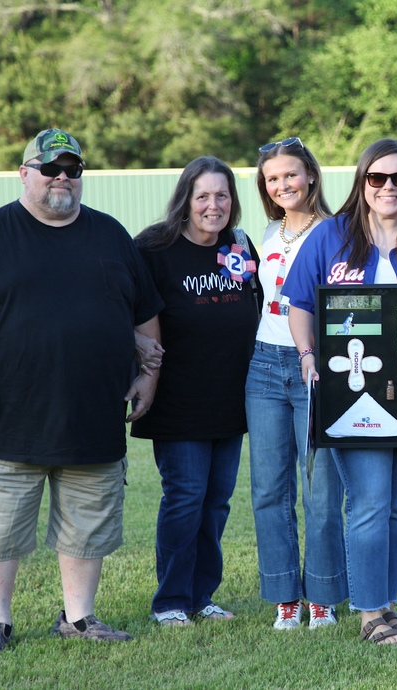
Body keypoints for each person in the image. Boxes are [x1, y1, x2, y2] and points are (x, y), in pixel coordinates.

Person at [0, 128, 164, 654]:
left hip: (92, 415)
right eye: (50, 168)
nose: (62, 178)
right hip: (5, 418)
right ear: (25, 173)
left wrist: (147, 376)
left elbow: (146, 313)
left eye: (73, 170)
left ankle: (79, 618)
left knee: (87, 526)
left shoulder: (110, 235)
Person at [283, 138, 397, 645]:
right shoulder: (331, 235)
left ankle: (386, 605)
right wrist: (308, 355)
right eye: (377, 178)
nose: (388, 187)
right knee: (368, 501)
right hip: (351, 389)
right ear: (362, 182)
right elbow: (299, 303)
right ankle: (368, 616)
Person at [131, 156, 261, 626]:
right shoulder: (153, 248)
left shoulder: (240, 246)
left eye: (222, 195)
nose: (213, 205)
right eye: (203, 195)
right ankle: (170, 600)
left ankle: (201, 595)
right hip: (177, 398)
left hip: (231, 396)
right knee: (185, 496)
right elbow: (129, 311)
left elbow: (255, 306)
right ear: (185, 199)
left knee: (217, 500)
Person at [245, 138, 348, 630]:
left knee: (320, 489)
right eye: (272, 179)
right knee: (269, 488)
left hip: (317, 367)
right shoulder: (265, 232)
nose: (282, 184)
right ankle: (286, 594)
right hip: (264, 367)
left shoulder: (338, 232)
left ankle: (324, 595)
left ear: (310, 174)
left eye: (290, 174)